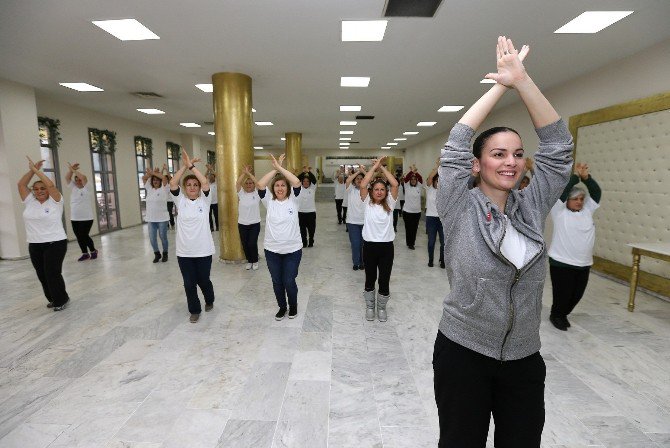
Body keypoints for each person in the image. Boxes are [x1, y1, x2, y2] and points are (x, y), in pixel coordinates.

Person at [433, 37, 573, 447]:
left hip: (524, 358)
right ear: (477, 165)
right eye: (498, 154)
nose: (510, 161)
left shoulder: (531, 206)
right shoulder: (459, 204)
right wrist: (500, 86)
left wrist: (523, 81)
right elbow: (455, 144)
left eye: (516, 154)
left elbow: (559, 149)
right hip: (464, 352)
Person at [547, 162, 601, 331]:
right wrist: (576, 177)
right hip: (561, 262)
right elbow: (562, 193)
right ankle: (556, 315)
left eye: (581, 199)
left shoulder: (587, 211)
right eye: (575, 199)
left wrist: (587, 178)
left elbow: (596, 193)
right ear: (567, 200)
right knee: (562, 294)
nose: (579, 202)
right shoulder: (559, 211)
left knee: (576, 295)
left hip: (584, 263)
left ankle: (563, 314)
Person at [18, 156, 70, 311]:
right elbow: (21, 184)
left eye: (42, 188)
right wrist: (30, 171)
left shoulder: (56, 201)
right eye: (36, 189)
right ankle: (54, 298)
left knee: (52, 273)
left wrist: (37, 171)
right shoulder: (30, 201)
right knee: (42, 275)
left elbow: (51, 185)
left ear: (48, 190)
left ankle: (61, 300)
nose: (39, 191)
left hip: (55, 243)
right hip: (34, 244)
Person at [169, 151, 215, 323]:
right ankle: (194, 310)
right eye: (189, 185)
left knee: (203, 280)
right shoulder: (180, 201)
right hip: (184, 252)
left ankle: (209, 299)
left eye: (195, 185)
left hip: (203, 250)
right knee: (189, 284)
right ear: (185, 188)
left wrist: (192, 167)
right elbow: (173, 182)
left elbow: (204, 182)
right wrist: (184, 166)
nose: (193, 187)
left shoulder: (205, 201)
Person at [256, 154, 303, 320]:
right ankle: (282, 307)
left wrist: (280, 169)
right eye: (277, 185)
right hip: (272, 250)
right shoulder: (268, 201)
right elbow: (260, 184)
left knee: (289, 280)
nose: (280, 188)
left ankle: (293, 306)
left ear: (287, 188)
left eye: (283, 185)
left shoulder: (294, 200)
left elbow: (296, 182)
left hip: (293, 250)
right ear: (273, 188)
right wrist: (274, 169)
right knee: (277, 282)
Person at [359, 157, 398, 322]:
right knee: (370, 278)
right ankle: (369, 307)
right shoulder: (366, 202)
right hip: (369, 247)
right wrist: (374, 167)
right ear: (371, 191)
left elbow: (395, 184)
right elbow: (362, 184)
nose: (380, 192)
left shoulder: (391, 202)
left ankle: (381, 308)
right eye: (376, 189)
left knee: (384, 278)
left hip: (386, 248)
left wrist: (382, 168)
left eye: (382, 189)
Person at [65, 162, 97, 261]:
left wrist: (74, 170)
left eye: (80, 180)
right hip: (74, 218)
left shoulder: (88, 188)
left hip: (87, 218)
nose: (79, 181)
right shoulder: (73, 187)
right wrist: (71, 170)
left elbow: (83, 177)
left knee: (84, 235)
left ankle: (93, 251)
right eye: (77, 180)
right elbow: (67, 178)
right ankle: (85, 253)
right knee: (79, 237)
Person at [236, 165, 261, 270]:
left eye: (251, 183)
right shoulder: (241, 193)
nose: (249, 185)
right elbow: (237, 183)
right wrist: (244, 173)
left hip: (255, 223)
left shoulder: (257, 193)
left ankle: (255, 260)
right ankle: (249, 260)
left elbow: (259, 184)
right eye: (246, 183)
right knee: (245, 244)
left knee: (252, 243)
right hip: (242, 224)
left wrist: (250, 174)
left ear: (253, 185)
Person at [143, 165, 170, 263]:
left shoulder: (164, 188)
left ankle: (165, 253)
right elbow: (144, 178)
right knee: (152, 239)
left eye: (157, 180)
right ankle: (157, 254)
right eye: (153, 180)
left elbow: (163, 178)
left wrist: (153, 173)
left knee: (163, 237)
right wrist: (150, 174)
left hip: (162, 218)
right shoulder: (149, 189)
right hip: (151, 219)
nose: (155, 181)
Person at [345, 166, 367, 270]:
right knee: (355, 243)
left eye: (361, 178)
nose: (359, 180)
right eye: (357, 179)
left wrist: (364, 172)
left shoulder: (367, 189)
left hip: (365, 222)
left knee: (364, 244)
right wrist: (358, 171)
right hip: (352, 222)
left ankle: (363, 262)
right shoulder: (350, 189)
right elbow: (348, 180)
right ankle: (356, 262)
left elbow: (369, 178)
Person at [425, 158, 444, 268]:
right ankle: (431, 260)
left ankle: (442, 261)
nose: (438, 183)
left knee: (444, 242)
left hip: (442, 219)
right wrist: (438, 165)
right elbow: (431, 177)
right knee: (431, 241)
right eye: (436, 181)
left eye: (439, 181)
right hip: (431, 218)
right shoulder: (429, 189)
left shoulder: (444, 191)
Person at [402, 164, 423, 249]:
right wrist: (412, 172)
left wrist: (415, 172)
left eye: (415, 179)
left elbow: (421, 178)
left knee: (414, 229)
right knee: (408, 228)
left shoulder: (419, 187)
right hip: (407, 212)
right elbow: (406, 178)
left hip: (417, 212)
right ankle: (409, 243)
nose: (413, 180)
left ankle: (412, 243)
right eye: (412, 179)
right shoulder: (406, 186)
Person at [298, 174, 317, 247]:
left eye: (307, 181)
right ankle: (304, 242)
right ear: (302, 182)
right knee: (302, 229)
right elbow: (296, 180)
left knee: (311, 229)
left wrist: (308, 172)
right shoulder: (299, 189)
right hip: (301, 212)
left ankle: (311, 240)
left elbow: (314, 180)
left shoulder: (312, 188)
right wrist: (302, 172)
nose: (306, 182)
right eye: (304, 181)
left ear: (309, 182)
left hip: (311, 213)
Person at [206, 165, 219, 231]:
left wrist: (211, 169)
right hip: (208, 203)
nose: (211, 178)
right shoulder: (207, 183)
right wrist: (208, 170)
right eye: (210, 177)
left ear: (214, 178)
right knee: (209, 216)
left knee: (216, 216)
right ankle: (211, 227)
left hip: (216, 202)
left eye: (212, 177)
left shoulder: (217, 183)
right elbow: (204, 176)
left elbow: (218, 176)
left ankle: (217, 226)